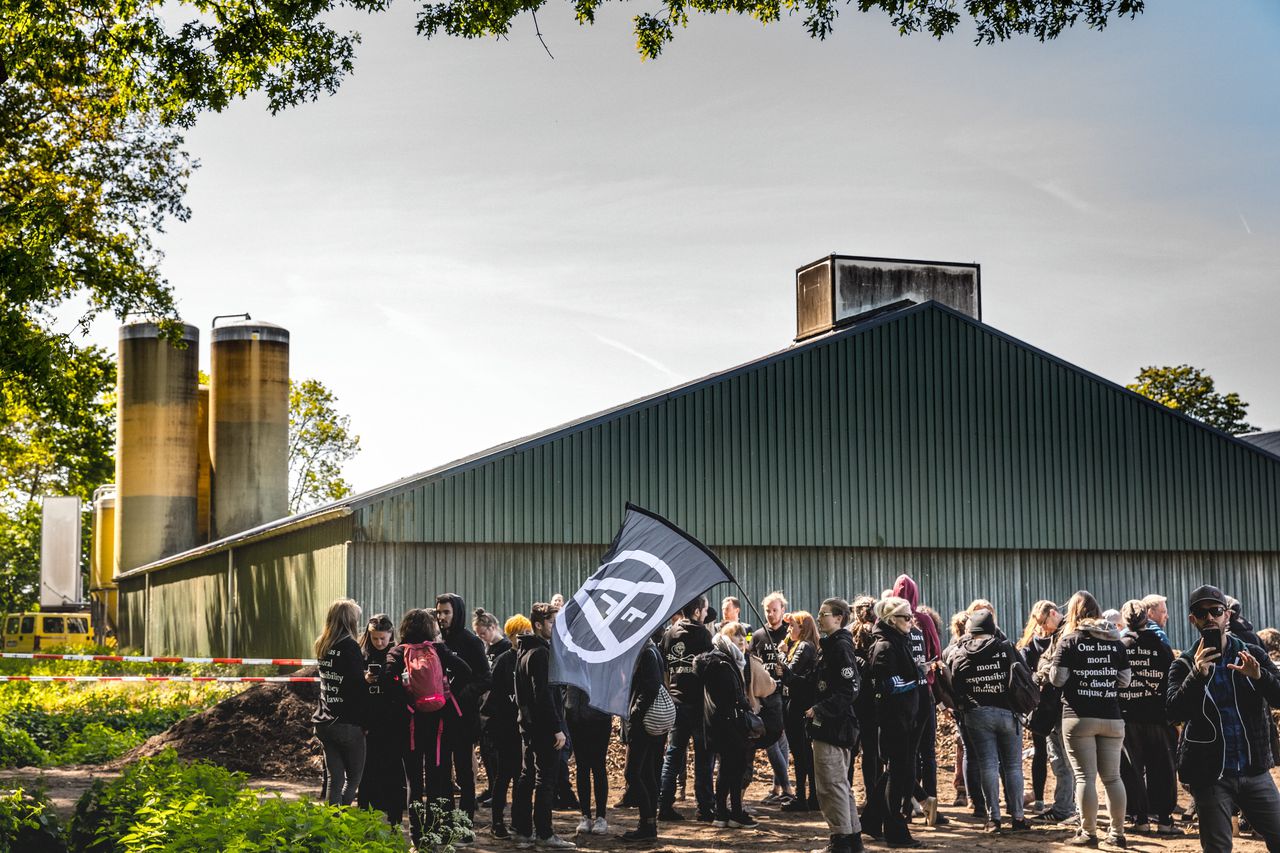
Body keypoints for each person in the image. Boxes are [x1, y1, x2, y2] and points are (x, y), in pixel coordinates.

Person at [1167, 584, 1280, 852]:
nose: (1210, 617)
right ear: (1192, 619)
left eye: (1216, 611)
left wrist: (1259, 677)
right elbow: (1173, 713)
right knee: (1218, 848)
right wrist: (1197, 675)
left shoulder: (1252, 653)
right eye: (1201, 612)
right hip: (1211, 774)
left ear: (1227, 616)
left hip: (1253, 770)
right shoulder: (1183, 664)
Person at [381, 607, 473, 847]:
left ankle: (417, 838)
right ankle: (434, 834)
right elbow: (466, 671)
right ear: (429, 629)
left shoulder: (397, 651)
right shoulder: (439, 650)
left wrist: (407, 701)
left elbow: (387, 682)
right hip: (438, 723)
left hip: (409, 724)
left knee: (413, 782)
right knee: (435, 779)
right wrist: (446, 689)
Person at [1049, 590, 1131, 848]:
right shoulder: (1116, 642)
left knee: (1085, 777)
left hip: (1078, 716)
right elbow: (1125, 681)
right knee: (1112, 778)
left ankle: (1088, 832)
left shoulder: (1069, 641)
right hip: (1112, 716)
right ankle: (1117, 835)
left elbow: (1057, 679)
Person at [946, 607, 1029, 833]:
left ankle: (994, 818)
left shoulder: (961, 652)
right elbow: (1023, 674)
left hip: (977, 715)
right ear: (992, 629)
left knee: (988, 765)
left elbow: (955, 685)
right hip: (1007, 713)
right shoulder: (1005, 648)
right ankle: (1019, 818)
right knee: (1013, 766)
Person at [862, 596, 925, 849]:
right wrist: (917, 677)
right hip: (893, 721)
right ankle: (896, 832)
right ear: (891, 620)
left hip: (905, 719)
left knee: (894, 774)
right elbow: (886, 684)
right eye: (906, 617)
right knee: (899, 777)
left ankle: (871, 820)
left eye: (912, 616)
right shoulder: (886, 647)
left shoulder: (899, 641)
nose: (912, 621)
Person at [512, 602, 575, 849]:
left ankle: (523, 830)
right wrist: (557, 727)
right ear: (538, 625)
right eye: (552, 622)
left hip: (528, 726)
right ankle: (545, 834)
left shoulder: (524, 650)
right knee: (545, 780)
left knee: (528, 777)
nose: (556, 627)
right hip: (543, 727)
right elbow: (544, 695)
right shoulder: (540, 654)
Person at [806, 598, 864, 853]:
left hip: (833, 727)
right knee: (840, 784)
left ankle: (840, 840)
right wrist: (789, 677)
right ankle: (852, 839)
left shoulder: (840, 647)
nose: (819, 618)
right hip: (831, 726)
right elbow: (818, 683)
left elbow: (849, 687)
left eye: (824, 614)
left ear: (839, 617)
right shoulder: (828, 647)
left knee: (831, 785)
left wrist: (820, 709)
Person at [1116, 599, 1178, 836]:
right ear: (1146, 618)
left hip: (1128, 716)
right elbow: (1171, 678)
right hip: (1156, 716)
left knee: (1132, 770)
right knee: (1161, 768)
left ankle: (1140, 819)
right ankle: (1164, 820)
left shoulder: (1120, 645)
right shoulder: (1160, 644)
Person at [658, 595, 715, 822]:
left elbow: (663, 666)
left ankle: (664, 805)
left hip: (676, 702)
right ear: (698, 611)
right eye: (705, 610)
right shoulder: (702, 634)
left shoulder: (669, 633)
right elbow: (711, 669)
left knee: (673, 754)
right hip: (699, 705)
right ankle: (705, 807)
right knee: (703, 757)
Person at [435, 593, 492, 821]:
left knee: (464, 774)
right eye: (438, 612)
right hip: (438, 718)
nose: (441, 617)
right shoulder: (436, 641)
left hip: (463, 718)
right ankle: (446, 821)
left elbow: (486, 678)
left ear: (456, 612)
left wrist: (462, 694)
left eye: (446, 612)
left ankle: (466, 823)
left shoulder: (471, 641)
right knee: (441, 774)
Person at [891, 574, 942, 827]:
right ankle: (932, 803)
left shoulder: (889, 620)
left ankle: (906, 805)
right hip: (925, 692)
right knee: (927, 753)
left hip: (900, 695)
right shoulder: (923, 619)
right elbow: (937, 652)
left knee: (903, 753)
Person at [699, 622, 757, 829]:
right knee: (733, 769)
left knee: (728, 769)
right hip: (729, 724)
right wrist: (745, 704)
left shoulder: (726, 660)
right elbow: (731, 696)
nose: (742, 639)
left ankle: (727, 813)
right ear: (725, 638)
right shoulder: (722, 663)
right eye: (736, 636)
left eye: (743, 635)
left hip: (720, 723)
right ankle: (731, 813)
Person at [312, 598, 368, 806]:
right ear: (349, 621)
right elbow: (357, 687)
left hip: (324, 719)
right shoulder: (350, 646)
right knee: (353, 779)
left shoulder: (322, 644)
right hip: (347, 722)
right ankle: (341, 818)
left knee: (335, 780)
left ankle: (331, 826)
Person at [1018, 599, 1070, 818]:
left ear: (1052, 613)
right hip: (1045, 706)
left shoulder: (1064, 634)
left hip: (1057, 705)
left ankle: (1065, 807)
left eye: (1043, 622)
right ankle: (1054, 803)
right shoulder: (1037, 641)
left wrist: (1039, 676)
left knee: (1063, 760)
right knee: (1050, 756)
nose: (1043, 628)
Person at [482, 613, 529, 840]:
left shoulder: (531, 657)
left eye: (526, 633)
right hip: (504, 729)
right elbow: (493, 696)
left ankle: (520, 821)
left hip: (524, 730)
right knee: (503, 777)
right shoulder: (503, 660)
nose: (522, 638)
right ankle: (497, 822)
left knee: (522, 777)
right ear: (510, 636)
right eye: (518, 635)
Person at [356, 613, 405, 824]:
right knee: (368, 772)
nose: (379, 643)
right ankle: (368, 818)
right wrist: (364, 680)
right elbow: (352, 689)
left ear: (391, 635)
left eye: (383, 638)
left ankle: (394, 818)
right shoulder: (361, 654)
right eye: (375, 638)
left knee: (393, 771)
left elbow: (404, 689)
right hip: (369, 724)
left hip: (393, 723)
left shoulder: (398, 654)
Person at [621, 627, 668, 842]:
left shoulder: (647, 653)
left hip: (644, 723)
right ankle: (648, 824)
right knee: (647, 773)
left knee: (632, 774)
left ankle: (647, 823)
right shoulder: (650, 651)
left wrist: (634, 713)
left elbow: (650, 688)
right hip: (650, 723)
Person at [779, 610, 820, 813]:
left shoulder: (804, 646)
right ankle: (809, 796)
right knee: (804, 752)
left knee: (801, 751)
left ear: (802, 629)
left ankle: (805, 797)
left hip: (798, 704)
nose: (788, 629)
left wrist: (782, 654)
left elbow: (787, 674)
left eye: (792, 626)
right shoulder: (806, 646)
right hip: (800, 702)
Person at [756, 591, 794, 804]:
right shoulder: (760, 635)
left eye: (774, 610)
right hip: (766, 694)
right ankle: (781, 786)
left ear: (783, 611)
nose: (771, 614)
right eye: (767, 611)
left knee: (780, 740)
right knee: (772, 739)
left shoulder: (790, 633)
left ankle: (782, 787)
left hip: (785, 693)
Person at [473, 607, 509, 808]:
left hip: (498, 708)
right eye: (479, 635)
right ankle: (492, 786)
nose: (483, 638)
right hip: (484, 706)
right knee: (486, 750)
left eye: (484, 633)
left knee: (495, 752)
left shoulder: (504, 648)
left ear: (493, 627)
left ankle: (499, 791)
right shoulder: (487, 649)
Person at [565, 685, 613, 837]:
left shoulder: (603, 661)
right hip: (575, 716)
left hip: (599, 716)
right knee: (582, 767)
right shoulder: (573, 660)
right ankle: (585, 815)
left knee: (598, 766)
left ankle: (601, 817)